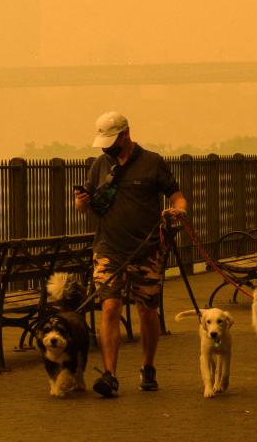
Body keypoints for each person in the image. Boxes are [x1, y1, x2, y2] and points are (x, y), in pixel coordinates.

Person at [74, 111, 187, 397]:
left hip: (146, 248)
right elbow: (83, 207)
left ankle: (148, 367)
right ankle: (110, 374)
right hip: (108, 248)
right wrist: (80, 202)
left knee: (147, 311)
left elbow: (176, 195)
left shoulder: (152, 163)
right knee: (109, 307)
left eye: (111, 141)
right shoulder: (100, 165)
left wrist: (179, 210)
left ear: (126, 134)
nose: (106, 147)